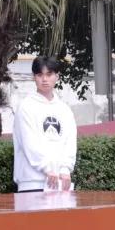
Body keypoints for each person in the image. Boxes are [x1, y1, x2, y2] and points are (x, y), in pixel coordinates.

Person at [13, 56, 77, 193]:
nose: (44, 79)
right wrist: (47, 168)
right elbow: (29, 143)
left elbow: (70, 143)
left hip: (61, 183)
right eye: (40, 75)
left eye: (49, 74)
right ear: (34, 77)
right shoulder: (26, 107)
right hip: (31, 183)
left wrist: (65, 169)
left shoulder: (64, 110)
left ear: (57, 76)